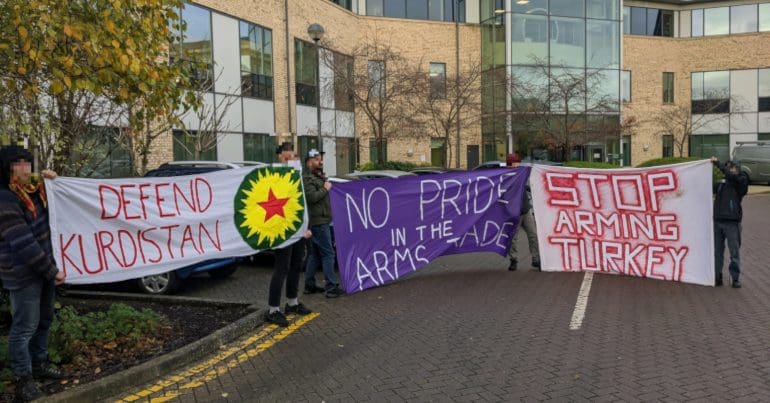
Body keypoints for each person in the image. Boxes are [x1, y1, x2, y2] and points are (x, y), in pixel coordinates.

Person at [0, 146, 66, 401]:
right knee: (24, 327)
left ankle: (39, 364)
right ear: (7, 168)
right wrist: (53, 271)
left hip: (45, 271)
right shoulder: (6, 200)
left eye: (27, 163)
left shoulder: (36, 191)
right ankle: (22, 379)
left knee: (44, 321)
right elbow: (23, 244)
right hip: (23, 275)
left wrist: (55, 184)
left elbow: (58, 217)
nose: (25, 168)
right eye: (18, 164)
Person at [265, 142, 314, 327]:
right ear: (279, 157)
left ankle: (292, 302)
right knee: (281, 268)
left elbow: (300, 202)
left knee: (295, 266)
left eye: (292, 157)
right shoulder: (273, 176)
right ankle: (273, 309)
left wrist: (305, 226)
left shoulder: (297, 176)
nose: (289, 160)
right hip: (282, 229)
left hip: (298, 229)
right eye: (286, 157)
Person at [302, 149, 344, 298]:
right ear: (309, 162)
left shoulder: (319, 177)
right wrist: (325, 189)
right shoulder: (307, 179)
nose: (320, 161)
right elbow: (312, 198)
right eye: (316, 159)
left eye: (320, 159)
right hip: (319, 222)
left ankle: (309, 285)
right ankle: (331, 287)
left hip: (321, 220)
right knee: (328, 254)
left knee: (315, 255)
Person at [711, 156, 749, 288]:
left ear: (737, 168)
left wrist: (718, 164)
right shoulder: (722, 183)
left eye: (731, 167)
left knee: (734, 253)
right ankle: (717, 276)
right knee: (717, 252)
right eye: (728, 167)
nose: (728, 169)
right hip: (718, 221)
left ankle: (735, 278)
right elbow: (709, 188)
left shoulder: (741, 180)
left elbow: (732, 177)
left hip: (732, 223)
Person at [506, 153, 540, 271]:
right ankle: (513, 260)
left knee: (533, 234)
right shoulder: (506, 176)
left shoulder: (522, 173)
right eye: (516, 162)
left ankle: (535, 259)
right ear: (511, 163)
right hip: (514, 212)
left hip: (525, 209)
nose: (518, 164)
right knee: (513, 238)